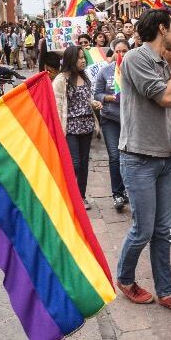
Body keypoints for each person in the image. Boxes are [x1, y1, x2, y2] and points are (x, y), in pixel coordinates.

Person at [115, 8, 171, 315]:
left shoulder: (163, 62)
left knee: (163, 230)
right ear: (162, 28)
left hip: (166, 158)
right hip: (138, 158)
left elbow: (168, 108)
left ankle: (166, 292)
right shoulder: (135, 58)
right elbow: (164, 97)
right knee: (143, 230)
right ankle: (125, 279)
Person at [55, 45, 102, 211]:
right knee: (74, 163)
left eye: (84, 58)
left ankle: (81, 197)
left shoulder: (85, 76)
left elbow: (87, 99)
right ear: (71, 60)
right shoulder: (61, 80)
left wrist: (94, 103)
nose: (83, 61)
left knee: (83, 163)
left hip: (87, 125)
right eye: (80, 58)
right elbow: (57, 106)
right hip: (70, 126)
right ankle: (68, 194)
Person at [93, 37, 129, 212]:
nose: (121, 54)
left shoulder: (135, 69)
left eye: (124, 51)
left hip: (130, 120)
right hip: (110, 119)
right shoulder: (105, 71)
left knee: (129, 157)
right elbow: (97, 94)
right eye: (118, 51)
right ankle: (117, 193)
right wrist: (106, 98)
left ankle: (128, 189)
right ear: (113, 53)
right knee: (115, 156)